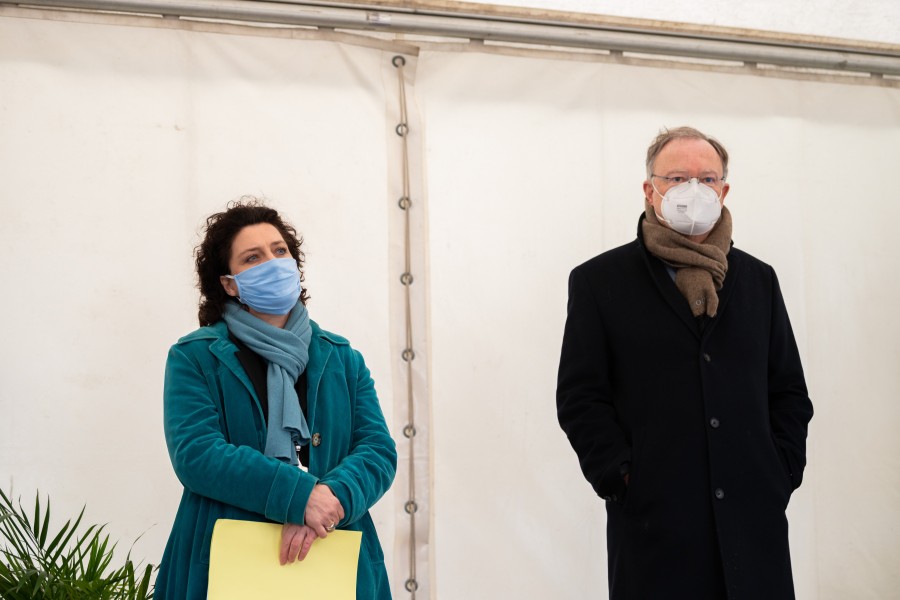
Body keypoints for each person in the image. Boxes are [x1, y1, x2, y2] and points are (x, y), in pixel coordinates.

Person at [556, 127, 813, 599]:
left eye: (707, 179)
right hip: (656, 526)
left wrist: (781, 472)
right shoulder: (599, 282)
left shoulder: (758, 280)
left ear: (725, 190)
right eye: (677, 177)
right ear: (649, 190)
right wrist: (622, 476)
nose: (694, 191)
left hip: (753, 522)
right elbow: (580, 397)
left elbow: (789, 391)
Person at [155, 198, 397, 599]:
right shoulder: (195, 357)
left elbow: (377, 450)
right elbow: (196, 454)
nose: (272, 262)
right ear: (230, 284)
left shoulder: (342, 357)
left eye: (279, 250)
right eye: (252, 257)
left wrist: (330, 499)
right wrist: (297, 496)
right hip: (227, 559)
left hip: (333, 554)